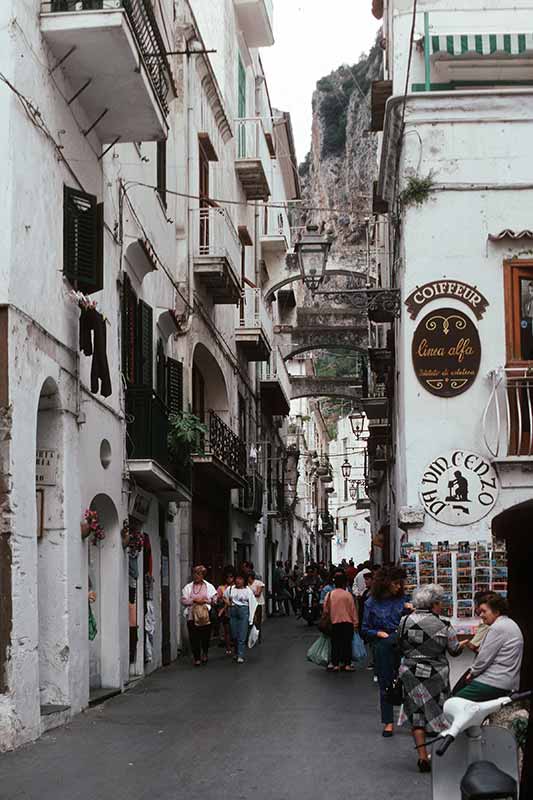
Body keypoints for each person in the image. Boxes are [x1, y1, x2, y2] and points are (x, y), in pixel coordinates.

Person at [398, 584, 462, 773]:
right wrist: (466, 644)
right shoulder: (444, 624)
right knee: (440, 712)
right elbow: (454, 650)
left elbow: (400, 644)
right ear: (434, 603)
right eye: (440, 602)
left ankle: (422, 757)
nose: (441, 605)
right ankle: (440, 755)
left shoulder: (405, 621)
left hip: (411, 672)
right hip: (436, 673)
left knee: (416, 714)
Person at [362, 566, 412, 737]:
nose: (399, 586)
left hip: (403, 644)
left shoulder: (404, 600)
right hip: (383, 646)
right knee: (386, 683)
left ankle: (414, 721)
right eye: (396, 583)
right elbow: (364, 629)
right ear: (386, 583)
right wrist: (378, 633)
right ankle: (388, 722)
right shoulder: (370, 603)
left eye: (400, 583)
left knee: (410, 682)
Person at [455, 593, 524, 702]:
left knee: (454, 702)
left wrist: (472, 673)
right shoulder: (508, 624)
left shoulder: (498, 627)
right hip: (505, 681)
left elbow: (484, 658)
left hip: (494, 681)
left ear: (496, 612)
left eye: (484, 611)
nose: (481, 615)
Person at [181, 565, 217, 666]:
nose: (196, 576)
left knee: (205, 635)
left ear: (203, 575)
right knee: (193, 637)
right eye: (195, 573)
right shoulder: (188, 587)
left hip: (205, 616)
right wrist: (194, 600)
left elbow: (214, 599)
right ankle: (197, 657)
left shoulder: (208, 586)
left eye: (198, 574)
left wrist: (205, 600)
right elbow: (183, 600)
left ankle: (205, 652)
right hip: (192, 615)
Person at [324, 572, 359, 671]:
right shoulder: (348, 595)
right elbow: (353, 610)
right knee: (347, 644)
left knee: (335, 644)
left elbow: (326, 610)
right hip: (347, 623)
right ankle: (347, 664)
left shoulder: (330, 594)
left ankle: (335, 664)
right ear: (344, 583)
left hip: (334, 623)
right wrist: (355, 623)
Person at [224, 572, 258, 664]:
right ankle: (236, 651)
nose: (238, 581)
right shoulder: (230, 589)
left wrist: (253, 615)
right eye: (237, 578)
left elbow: (253, 603)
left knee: (242, 634)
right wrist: (228, 603)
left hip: (244, 611)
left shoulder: (248, 591)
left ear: (244, 580)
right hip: (233, 611)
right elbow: (224, 597)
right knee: (234, 634)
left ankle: (240, 654)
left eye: (241, 579)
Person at [216, 566, 235, 655]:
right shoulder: (221, 588)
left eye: (231, 577)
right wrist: (222, 600)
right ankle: (228, 648)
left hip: (235, 611)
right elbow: (217, 599)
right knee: (227, 630)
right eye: (227, 577)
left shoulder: (237, 587)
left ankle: (235, 646)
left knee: (234, 630)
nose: (229, 579)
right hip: (225, 611)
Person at [248, 570, 265, 641]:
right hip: (249, 604)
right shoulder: (246, 584)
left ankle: (258, 636)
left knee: (257, 620)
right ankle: (250, 636)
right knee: (251, 620)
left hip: (258, 604)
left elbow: (258, 594)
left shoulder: (258, 583)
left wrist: (249, 595)